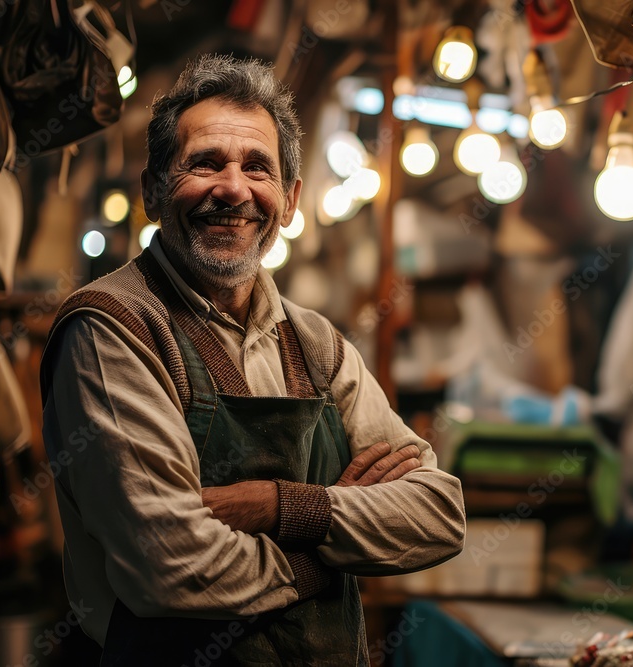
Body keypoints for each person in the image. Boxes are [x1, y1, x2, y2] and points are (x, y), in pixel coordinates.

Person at [40, 54, 466, 666]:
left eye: (257, 168)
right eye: (205, 163)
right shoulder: (110, 330)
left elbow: (438, 515)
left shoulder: (319, 344)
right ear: (155, 191)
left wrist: (279, 506)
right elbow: (171, 566)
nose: (233, 189)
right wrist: (327, 554)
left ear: (289, 200)